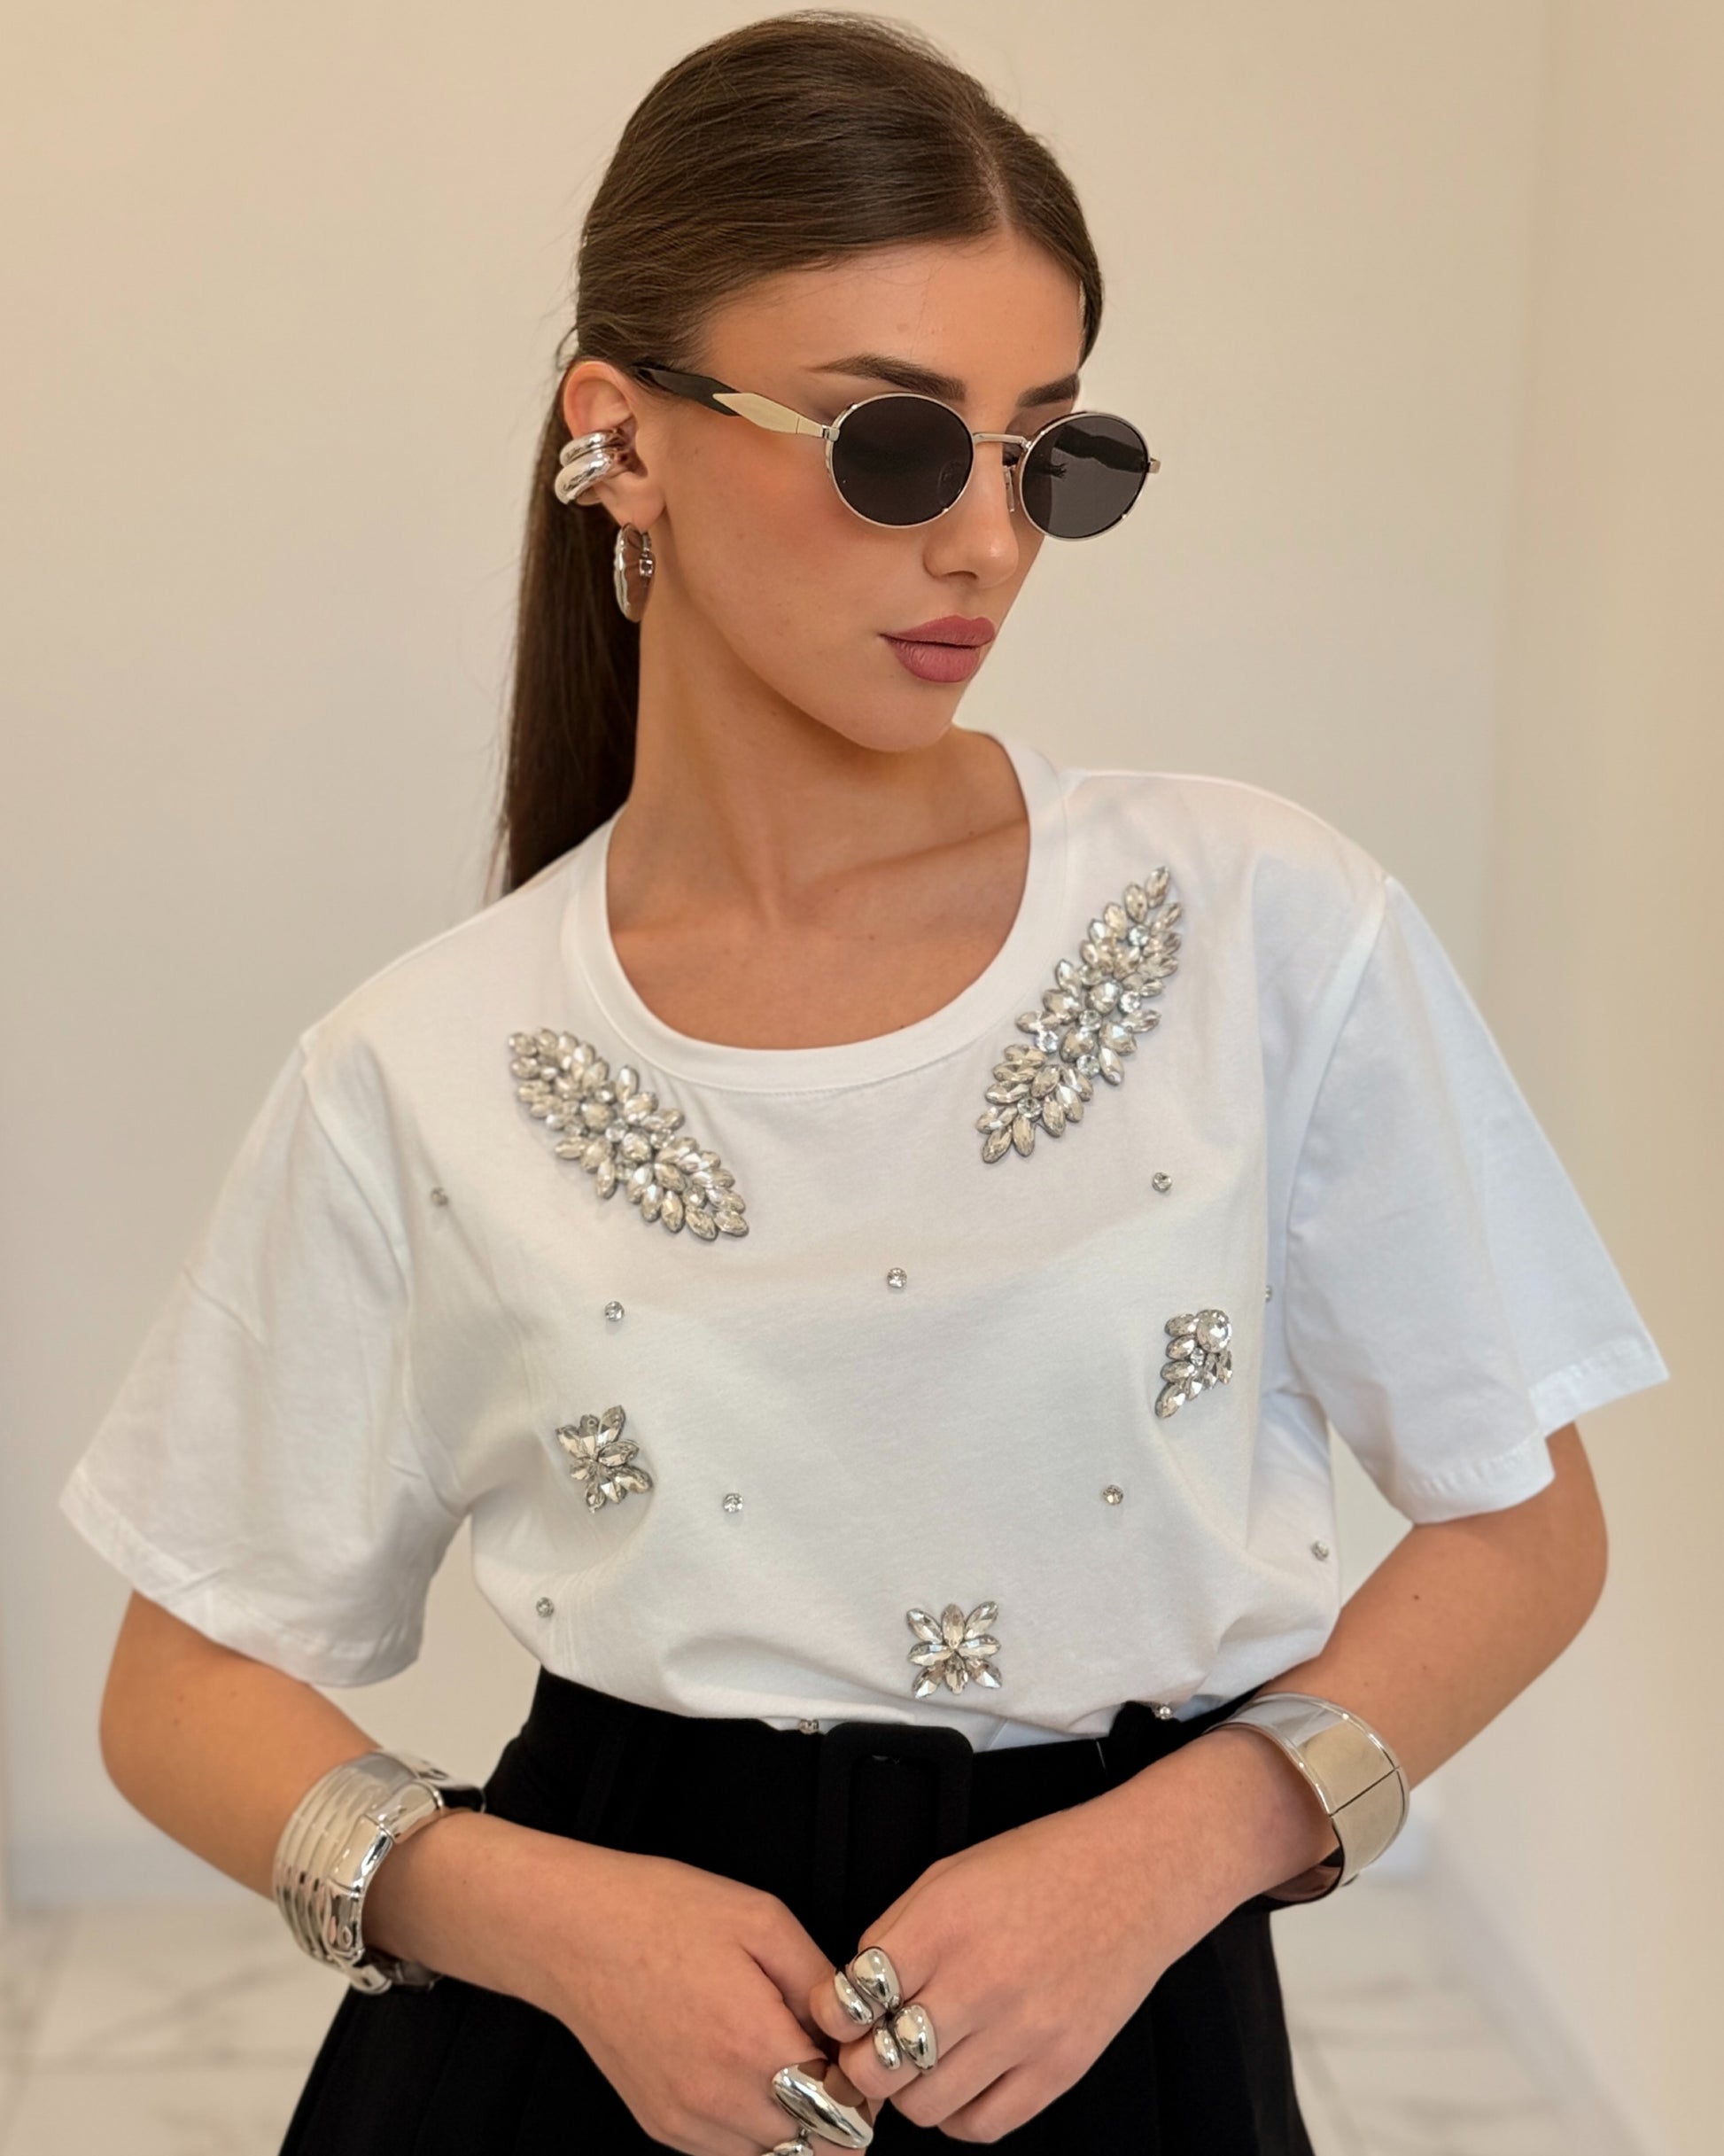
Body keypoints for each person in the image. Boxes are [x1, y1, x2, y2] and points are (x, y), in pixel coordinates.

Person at [60, 13, 1668, 2155]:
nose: (987, 541)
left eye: (1050, 455)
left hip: (1122, 2049)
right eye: (896, 444)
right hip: (566, 2069)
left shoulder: (1258, 925)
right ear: (620, 436)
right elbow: (176, 1683)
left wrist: (1169, 1854)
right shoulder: (421, 1060)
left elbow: (1524, 1526)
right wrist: (538, 1913)